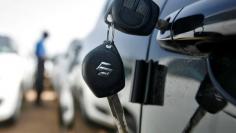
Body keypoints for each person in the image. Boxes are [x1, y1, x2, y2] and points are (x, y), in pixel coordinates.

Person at [35, 31, 49, 105]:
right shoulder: (40, 43)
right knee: (39, 82)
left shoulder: (41, 42)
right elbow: (40, 54)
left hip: (41, 63)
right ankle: (38, 101)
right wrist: (44, 57)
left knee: (40, 81)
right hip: (40, 63)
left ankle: (38, 100)